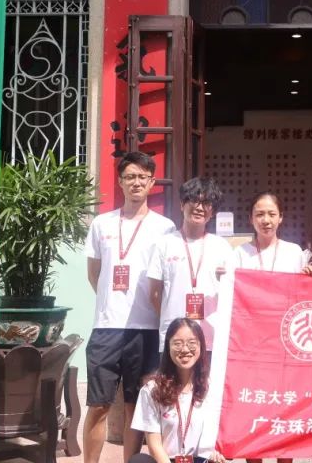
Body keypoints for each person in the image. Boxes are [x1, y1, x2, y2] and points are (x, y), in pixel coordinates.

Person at [83, 151, 177, 463]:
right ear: (120, 182)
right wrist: (112, 303)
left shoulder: (165, 227)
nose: (136, 182)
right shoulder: (101, 223)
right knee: (98, 404)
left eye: (142, 177)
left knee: (135, 407)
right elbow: (94, 274)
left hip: (147, 329)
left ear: (152, 182)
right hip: (107, 328)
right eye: (130, 177)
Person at [148, 177, 236, 355]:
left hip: (211, 339)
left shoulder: (222, 246)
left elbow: (232, 294)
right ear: (182, 205)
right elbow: (155, 294)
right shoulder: (164, 243)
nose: (199, 207)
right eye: (194, 201)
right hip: (174, 338)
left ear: (213, 212)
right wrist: (171, 316)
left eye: (206, 203)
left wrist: (224, 281)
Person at [129, 317, 227, 463]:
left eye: (192, 343)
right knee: (139, 461)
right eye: (177, 343)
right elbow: (154, 445)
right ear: (168, 347)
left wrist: (216, 455)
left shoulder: (213, 387)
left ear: (201, 346)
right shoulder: (151, 390)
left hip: (202, 460)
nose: (185, 349)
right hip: (166, 460)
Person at [235, 192, 305, 273]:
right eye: (260, 214)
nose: (266, 221)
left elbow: (303, 280)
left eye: (272, 214)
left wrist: (311, 275)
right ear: (251, 219)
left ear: (280, 217)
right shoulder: (240, 253)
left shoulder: (294, 252)